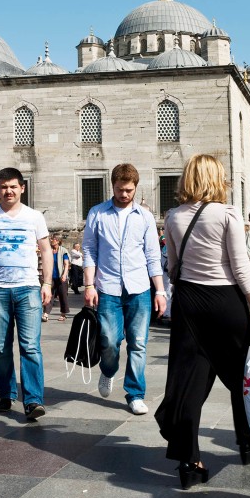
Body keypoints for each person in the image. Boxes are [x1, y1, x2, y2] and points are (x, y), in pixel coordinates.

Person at [155, 154, 250, 489]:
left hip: (190, 302)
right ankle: (249, 440)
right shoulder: (227, 213)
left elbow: (172, 268)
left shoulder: (173, 216)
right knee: (239, 376)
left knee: (190, 381)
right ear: (216, 178)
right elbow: (240, 266)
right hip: (225, 301)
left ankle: (190, 461)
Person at [81, 163, 166, 415]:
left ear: (135, 188)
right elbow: (89, 251)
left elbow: (153, 255)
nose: (124, 194)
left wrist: (160, 291)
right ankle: (108, 370)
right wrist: (88, 284)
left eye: (129, 190)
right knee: (109, 340)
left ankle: (135, 393)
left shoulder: (145, 217)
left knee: (138, 343)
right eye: (120, 189)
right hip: (107, 287)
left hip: (139, 288)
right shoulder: (97, 213)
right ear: (113, 186)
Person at [0, 167, 52, 421]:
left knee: (30, 346)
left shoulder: (35, 217)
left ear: (22, 188)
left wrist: (46, 283)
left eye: (13, 186)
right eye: (4, 187)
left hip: (28, 288)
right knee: (2, 346)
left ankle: (33, 400)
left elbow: (46, 250)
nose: (8, 191)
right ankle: (6, 393)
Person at [44, 236, 69, 322]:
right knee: (49, 295)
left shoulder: (63, 251)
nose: (51, 241)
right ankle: (46, 314)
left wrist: (64, 275)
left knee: (63, 296)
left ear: (58, 241)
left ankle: (63, 314)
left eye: (53, 239)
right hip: (51, 277)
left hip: (61, 277)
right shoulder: (49, 251)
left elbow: (66, 264)